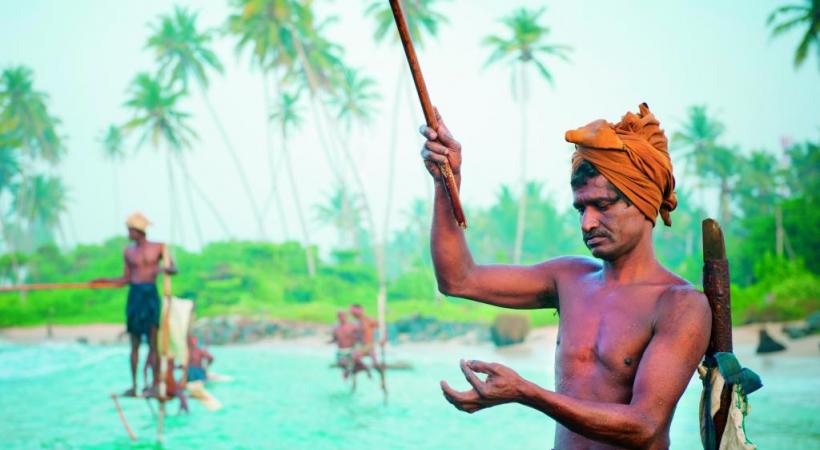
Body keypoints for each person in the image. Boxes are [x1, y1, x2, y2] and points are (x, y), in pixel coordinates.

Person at [420, 104, 711, 449]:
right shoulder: (570, 278)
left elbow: (645, 425)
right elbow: (458, 279)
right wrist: (445, 180)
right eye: (580, 208)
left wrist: (525, 392)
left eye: (602, 206)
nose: (587, 223)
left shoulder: (680, 305)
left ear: (644, 204)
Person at [92, 212, 177, 397]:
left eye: (130, 230)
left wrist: (162, 268)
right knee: (134, 345)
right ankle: (133, 386)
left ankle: (155, 385)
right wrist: (104, 281)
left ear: (139, 231)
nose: (128, 234)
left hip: (151, 296)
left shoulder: (159, 247)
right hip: (135, 296)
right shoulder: (128, 252)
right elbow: (125, 279)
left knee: (153, 344)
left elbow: (173, 269)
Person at [349, 304, 386, 388]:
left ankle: (380, 378)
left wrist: (382, 339)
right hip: (359, 346)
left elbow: (381, 327)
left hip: (369, 345)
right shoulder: (355, 323)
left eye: (354, 311)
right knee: (354, 361)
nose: (352, 313)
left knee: (374, 363)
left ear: (360, 310)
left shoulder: (368, 320)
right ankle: (366, 370)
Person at [330, 310, 358, 380]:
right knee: (342, 363)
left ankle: (348, 371)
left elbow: (358, 335)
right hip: (340, 351)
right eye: (340, 316)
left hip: (351, 350)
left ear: (346, 317)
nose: (342, 318)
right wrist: (329, 342)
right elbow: (335, 339)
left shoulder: (352, 326)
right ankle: (346, 371)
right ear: (338, 317)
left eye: (343, 316)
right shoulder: (335, 328)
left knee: (351, 361)